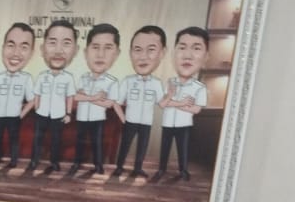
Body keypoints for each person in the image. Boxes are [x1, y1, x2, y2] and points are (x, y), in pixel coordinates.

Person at [111, 25, 167, 179]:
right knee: (125, 145)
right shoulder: (128, 81)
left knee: (142, 146)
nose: (143, 57)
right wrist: (124, 119)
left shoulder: (156, 83)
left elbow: (162, 104)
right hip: (130, 121)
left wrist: (172, 95)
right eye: (137, 50)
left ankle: (138, 169)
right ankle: (119, 167)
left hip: (146, 122)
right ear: (130, 53)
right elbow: (116, 103)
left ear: (162, 53)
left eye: (151, 50)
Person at [154, 27, 208, 181]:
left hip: (184, 125)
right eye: (182, 47)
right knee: (164, 148)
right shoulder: (171, 82)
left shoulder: (199, 87)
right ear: (174, 53)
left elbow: (196, 109)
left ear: (206, 57)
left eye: (196, 48)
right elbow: (162, 104)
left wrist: (173, 102)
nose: (187, 55)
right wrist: (181, 102)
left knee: (182, 149)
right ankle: (161, 170)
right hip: (167, 123)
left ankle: (183, 171)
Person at [71, 24, 123, 176]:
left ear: (117, 54)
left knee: (97, 142)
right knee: (79, 142)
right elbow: (76, 97)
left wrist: (86, 98)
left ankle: (98, 166)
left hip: (97, 118)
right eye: (95, 47)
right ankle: (76, 164)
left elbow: (109, 103)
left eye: (108, 48)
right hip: (81, 117)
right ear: (86, 52)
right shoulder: (83, 77)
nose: (100, 54)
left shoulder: (112, 82)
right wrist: (95, 97)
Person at [29, 20, 79, 175]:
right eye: (52, 42)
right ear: (43, 48)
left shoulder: (68, 78)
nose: (58, 51)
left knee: (56, 140)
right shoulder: (42, 76)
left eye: (66, 43)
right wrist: (37, 109)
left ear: (75, 50)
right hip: (42, 113)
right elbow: (37, 95)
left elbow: (70, 97)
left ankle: (54, 162)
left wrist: (68, 113)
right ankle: (34, 160)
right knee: (38, 139)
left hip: (58, 115)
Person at [0, 22, 37, 172]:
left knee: (14, 139)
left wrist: (21, 114)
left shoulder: (26, 78)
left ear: (31, 53)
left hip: (14, 116)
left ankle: (13, 161)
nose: (16, 53)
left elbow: (32, 100)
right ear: (3, 48)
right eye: (11, 45)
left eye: (24, 47)